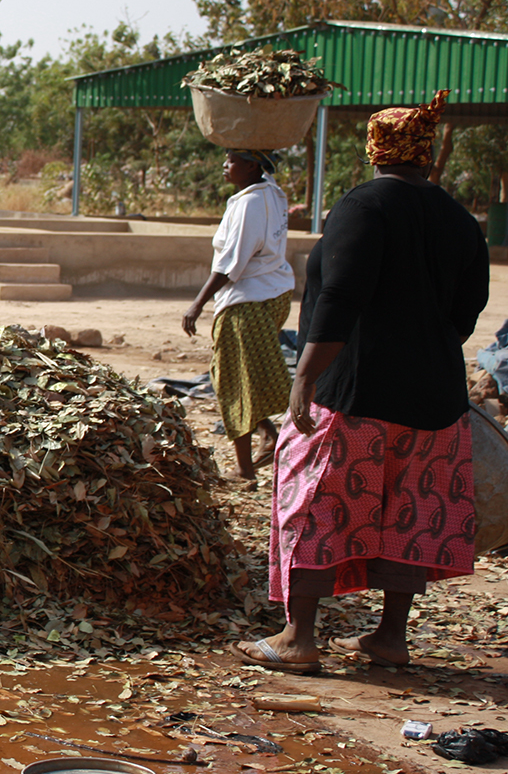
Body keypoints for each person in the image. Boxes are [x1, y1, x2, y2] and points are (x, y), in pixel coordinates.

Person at [234, 89, 490, 672]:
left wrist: (304, 377)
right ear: (425, 154)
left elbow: (341, 298)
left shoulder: (363, 208)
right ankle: (390, 639)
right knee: (412, 509)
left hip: (355, 397)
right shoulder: (459, 219)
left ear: (375, 150)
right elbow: (468, 310)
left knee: (314, 502)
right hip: (436, 402)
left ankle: (298, 639)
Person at [182, 149, 294, 480]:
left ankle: (245, 469)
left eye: (231, 160)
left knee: (232, 382)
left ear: (251, 165)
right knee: (242, 375)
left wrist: (197, 304)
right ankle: (269, 436)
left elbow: (232, 263)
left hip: (248, 301)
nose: (224, 166)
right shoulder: (273, 191)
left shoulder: (249, 204)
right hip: (275, 293)